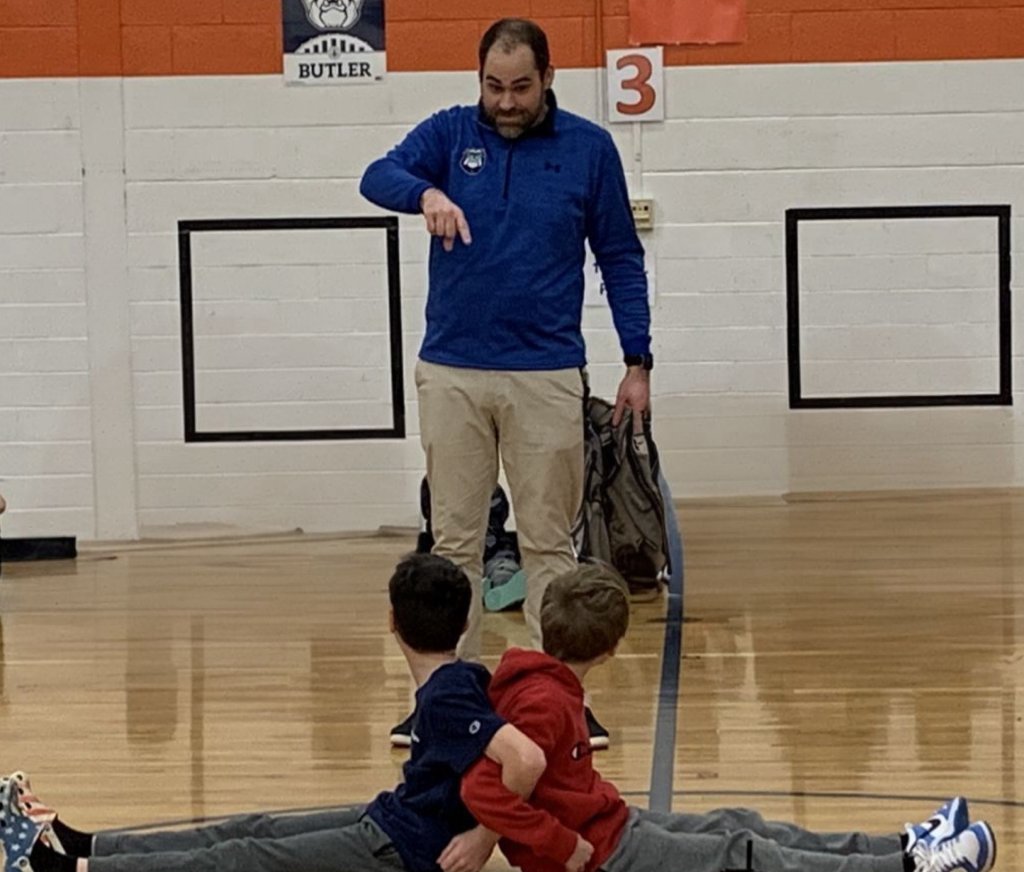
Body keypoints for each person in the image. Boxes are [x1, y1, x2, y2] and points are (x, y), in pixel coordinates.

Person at [359, 17, 654, 749]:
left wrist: (637, 360)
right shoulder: (449, 132)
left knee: (549, 548)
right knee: (454, 546)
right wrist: (423, 196)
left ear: (548, 79)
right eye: (494, 86)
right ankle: (439, 703)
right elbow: (377, 176)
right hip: (452, 371)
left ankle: (559, 702)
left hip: (547, 374)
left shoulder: (590, 149)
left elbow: (620, 256)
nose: (507, 101)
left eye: (521, 87)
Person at [1, 553, 547, 872]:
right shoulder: (464, 678)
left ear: (390, 622)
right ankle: (81, 846)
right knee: (252, 828)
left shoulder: (449, 695)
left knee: (246, 857)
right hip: (394, 818)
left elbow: (525, 759)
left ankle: (71, 868)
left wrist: (483, 837)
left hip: (402, 848)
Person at [459, 564, 998, 872]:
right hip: (600, 854)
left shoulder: (540, 682)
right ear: (612, 648)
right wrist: (559, 845)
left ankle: (902, 845)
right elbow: (485, 792)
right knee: (743, 857)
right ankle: (910, 869)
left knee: (742, 824)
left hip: (613, 825)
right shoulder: (543, 702)